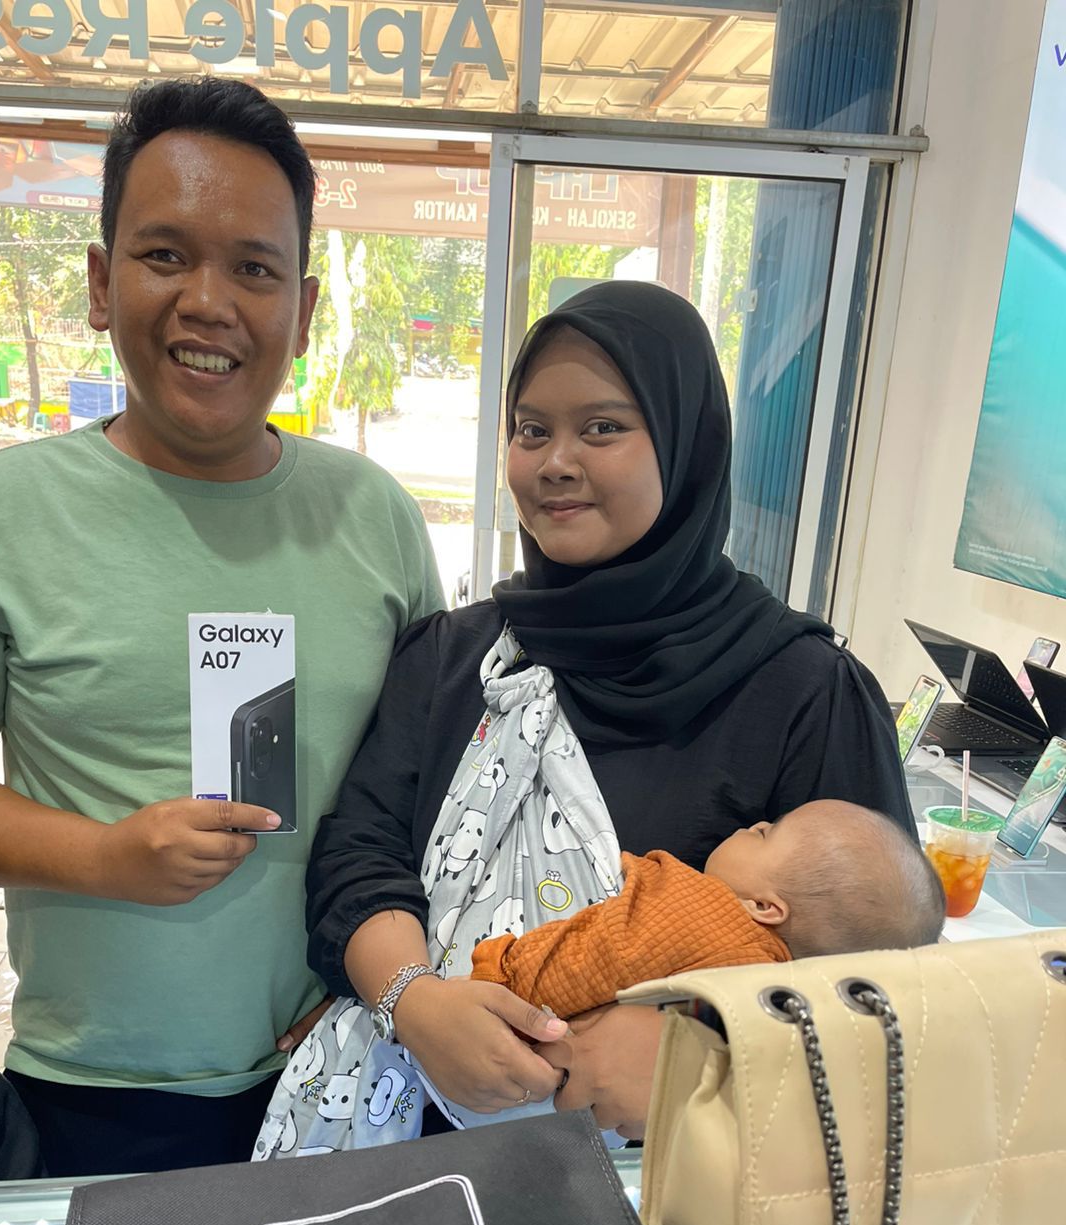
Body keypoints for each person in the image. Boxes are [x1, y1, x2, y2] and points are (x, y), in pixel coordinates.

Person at [0, 79, 443, 1177]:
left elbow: (434, 790)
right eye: (166, 255)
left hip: (347, 1065)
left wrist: (381, 980)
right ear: (101, 281)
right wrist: (101, 856)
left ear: (304, 310)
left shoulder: (376, 519)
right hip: (100, 1091)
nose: (208, 302)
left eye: (254, 268)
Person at [252, 280, 915, 1161]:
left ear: (683, 447)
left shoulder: (804, 691)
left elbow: (883, 994)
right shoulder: (454, 658)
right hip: (407, 1147)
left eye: (602, 427)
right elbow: (360, 854)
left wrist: (695, 1056)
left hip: (674, 1181)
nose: (555, 462)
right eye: (532, 430)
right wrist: (414, 1002)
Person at [471, 800, 946, 1019]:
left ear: (764, 906)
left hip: (508, 1009)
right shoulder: (769, 996)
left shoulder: (691, 914)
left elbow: (582, 961)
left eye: (766, 833)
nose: (755, 823)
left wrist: (496, 968)